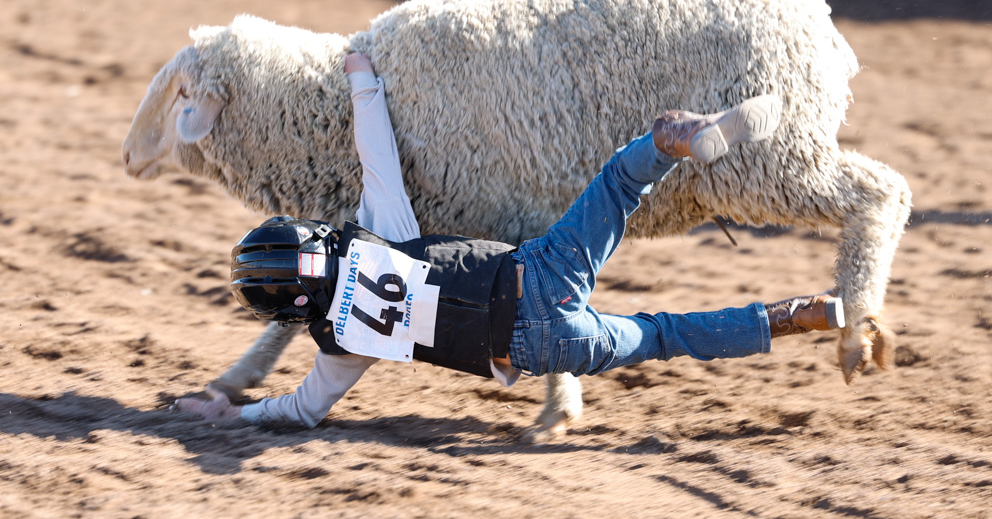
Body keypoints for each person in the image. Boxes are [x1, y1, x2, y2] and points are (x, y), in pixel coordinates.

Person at [174, 53, 843, 427]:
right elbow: (376, 155)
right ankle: (673, 138)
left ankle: (789, 317)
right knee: (618, 181)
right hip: (539, 275)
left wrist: (234, 415)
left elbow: (302, 410)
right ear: (315, 241)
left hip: (539, 349)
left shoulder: (341, 349)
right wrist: (360, 78)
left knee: (668, 335)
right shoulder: (376, 245)